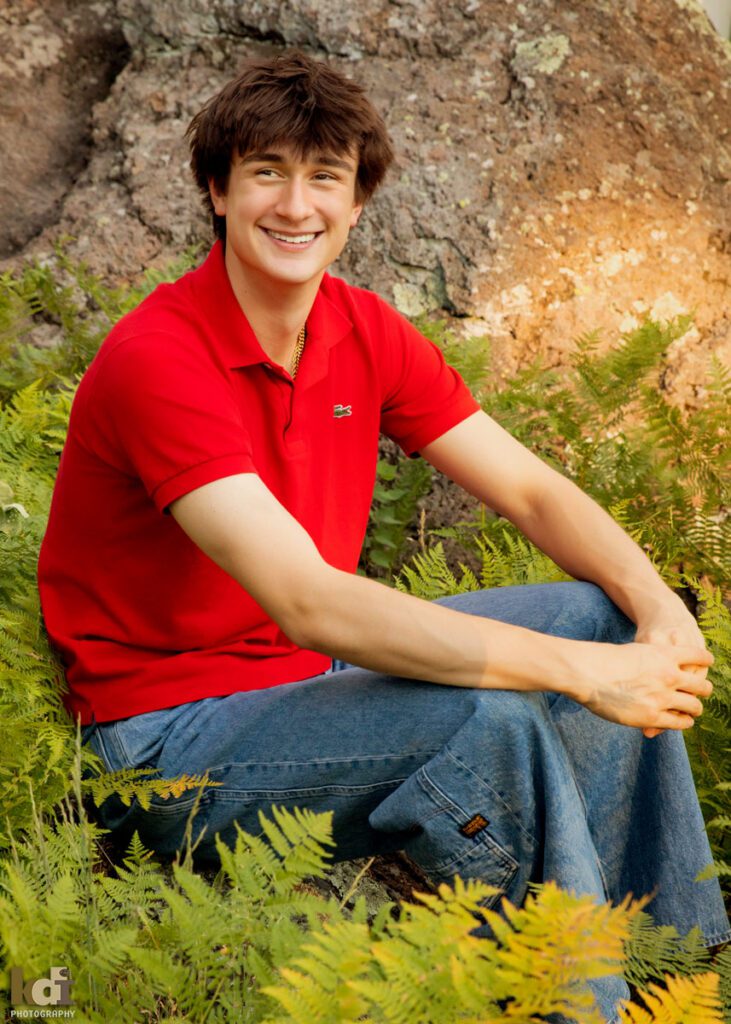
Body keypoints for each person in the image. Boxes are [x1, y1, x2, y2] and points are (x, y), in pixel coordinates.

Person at [38, 51, 728, 1021]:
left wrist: (653, 609)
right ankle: (578, 1003)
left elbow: (529, 491)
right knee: (490, 712)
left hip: (298, 685)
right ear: (215, 189)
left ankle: (679, 968)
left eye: (323, 176)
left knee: (599, 616)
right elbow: (307, 600)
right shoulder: (161, 359)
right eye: (265, 171)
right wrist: (573, 675)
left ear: (356, 201)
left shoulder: (361, 331)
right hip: (168, 735)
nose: (294, 204)